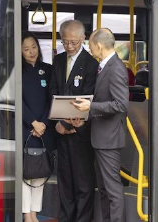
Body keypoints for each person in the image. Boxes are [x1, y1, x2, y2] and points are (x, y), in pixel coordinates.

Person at [71, 28, 129, 222]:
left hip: (109, 139)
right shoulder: (105, 65)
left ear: (98, 45)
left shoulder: (116, 68)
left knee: (112, 190)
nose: (89, 48)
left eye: (90, 44)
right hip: (102, 137)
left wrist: (91, 106)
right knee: (104, 189)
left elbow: (121, 104)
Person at [49, 20, 98, 222]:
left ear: (83, 38)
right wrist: (58, 124)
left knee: (83, 183)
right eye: (65, 42)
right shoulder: (59, 60)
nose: (69, 46)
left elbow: (88, 95)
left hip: (81, 131)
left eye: (73, 43)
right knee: (65, 181)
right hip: (60, 129)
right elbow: (53, 91)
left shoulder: (91, 63)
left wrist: (69, 124)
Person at [21, 31, 55, 222]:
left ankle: (35, 212)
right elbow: (16, 101)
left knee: (41, 172)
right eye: (26, 49)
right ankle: (27, 215)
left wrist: (43, 123)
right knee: (26, 172)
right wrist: (33, 122)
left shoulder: (47, 69)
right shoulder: (16, 70)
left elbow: (52, 99)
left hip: (44, 128)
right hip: (27, 128)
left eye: (34, 47)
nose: (31, 52)